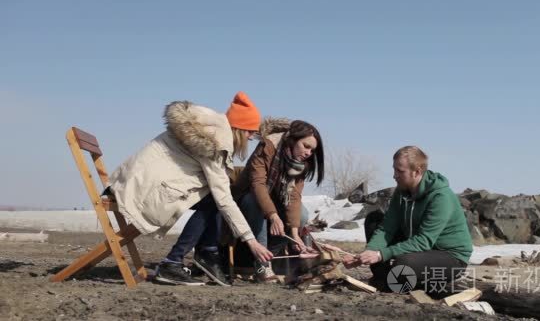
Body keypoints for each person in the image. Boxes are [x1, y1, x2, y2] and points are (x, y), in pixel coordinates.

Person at [106, 92, 273, 286]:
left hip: (135, 179)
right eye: (249, 131)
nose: (251, 136)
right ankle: (173, 262)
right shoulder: (215, 141)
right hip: (142, 188)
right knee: (215, 201)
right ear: (239, 128)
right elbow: (223, 198)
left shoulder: (209, 126)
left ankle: (207, 252)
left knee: (211, 199)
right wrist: (250, 240)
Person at [342, 146, 472, 294]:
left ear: (417, 171)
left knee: (404, 263)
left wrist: (380, 255)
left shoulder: (441, 197)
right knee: (374, 219)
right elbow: (387, 228)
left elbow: (424, 240)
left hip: (450, 256)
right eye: (394, 169)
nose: (394, 175)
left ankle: (415, 283)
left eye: (400, 171)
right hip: (419, 250)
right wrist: (367, 254)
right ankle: (383, 279)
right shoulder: (401, 192)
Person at [231, 118, 324, 281]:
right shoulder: (267, 147)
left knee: (301, 214)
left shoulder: (300, 165)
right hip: (246, 199)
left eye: (312, 150)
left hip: (276, 203)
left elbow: (294, 198)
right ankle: (262, 263)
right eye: (306, 146)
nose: (309, 153)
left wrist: (295, 234)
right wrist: (273, 216)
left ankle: (270, 255)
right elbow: (257, 185)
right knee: (255, 203)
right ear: (292, 140)